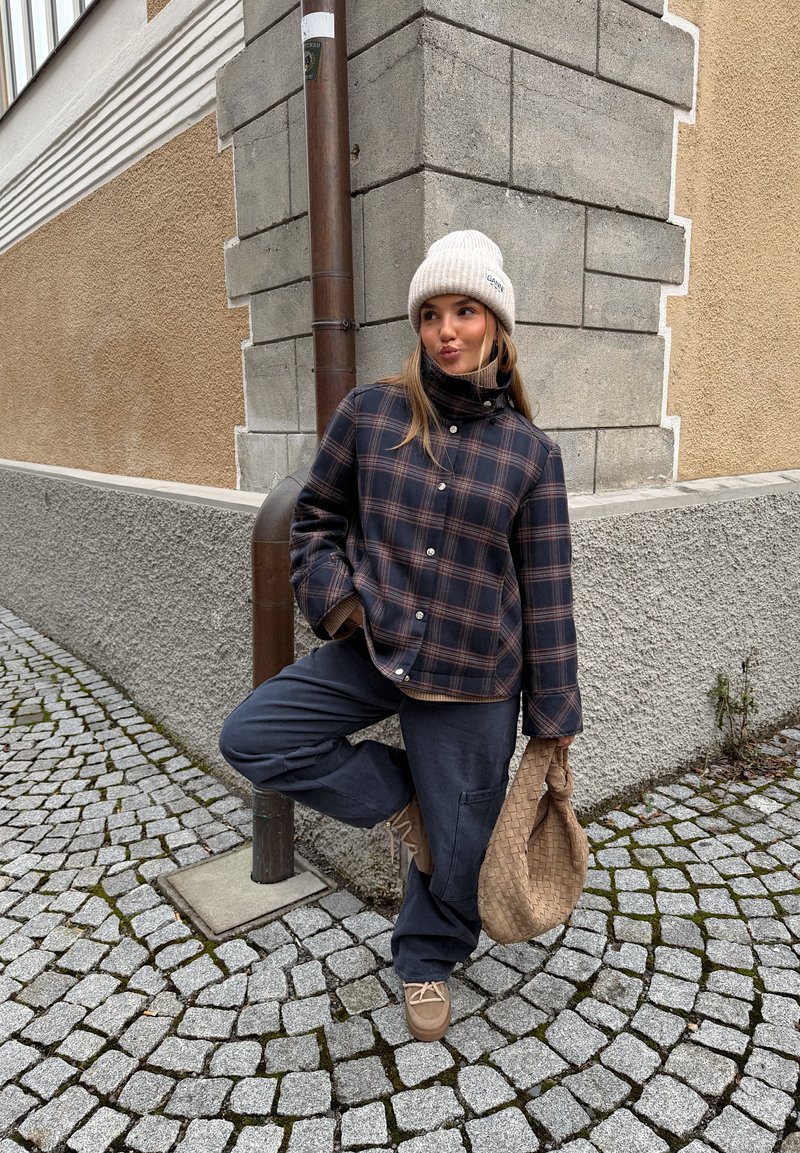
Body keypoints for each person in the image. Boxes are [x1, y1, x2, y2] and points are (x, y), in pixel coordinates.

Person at [219, 230, 582, 1042]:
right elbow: (314, 519)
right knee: (254, 736)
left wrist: (553, 722)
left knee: (459, 855)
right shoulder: (370, 413)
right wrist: (341, 606)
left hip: (473, 675)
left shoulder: (530, 455)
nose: (446, 330)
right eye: (430, 314)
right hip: (373, 647)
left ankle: (425, 956)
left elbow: (549, 591)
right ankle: (405, 796)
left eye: (465, 312)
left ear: (496, 324)